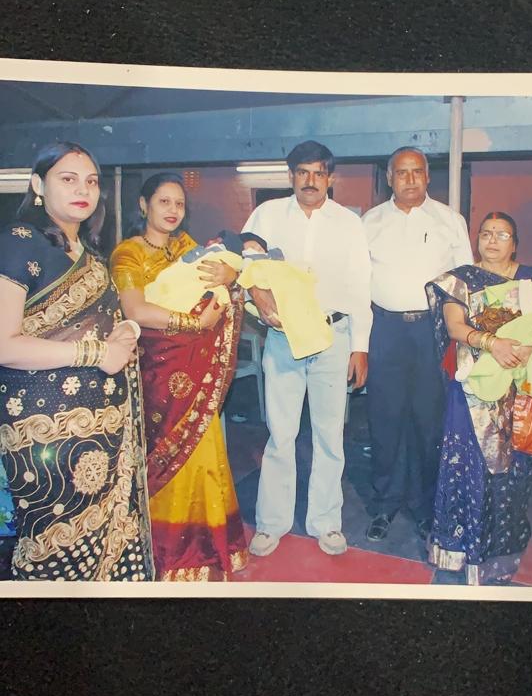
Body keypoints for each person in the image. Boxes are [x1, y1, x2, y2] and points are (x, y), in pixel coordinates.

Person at [0, 142, 153, 581]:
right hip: (45, 432)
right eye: (68, 179)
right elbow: (5, 344)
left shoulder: (90, 254)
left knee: (105, 548)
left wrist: (125, 332)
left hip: (105, 427)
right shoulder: (17, 243)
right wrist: (97, 353)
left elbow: (103, 325)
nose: (83, 190)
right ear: (38, 185)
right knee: (55, 553)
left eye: (91, 181)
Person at [110, 173, 248, 581]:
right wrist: (192, 323)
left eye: (179, 204)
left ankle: (207, 548)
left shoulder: (189, 248)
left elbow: (221, 287)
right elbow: (135, 310)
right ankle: (168, 553)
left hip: (196, 370)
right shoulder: (128, 253)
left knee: (203, 451)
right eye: (164, 202)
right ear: (143, 205)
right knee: (165, 454)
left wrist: (230, 279)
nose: (172, 211)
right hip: (156, 371)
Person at [241, 141, 372, 557]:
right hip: (284, 337)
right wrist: (258, 295)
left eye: (318, 173)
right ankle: (271, 523)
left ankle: (326, 522)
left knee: (329, 435)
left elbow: (360, 286)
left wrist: (360, 346)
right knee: (281, 434)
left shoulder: (349, 223)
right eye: (302, 173)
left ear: (330, 178)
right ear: (291, 176)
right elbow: (243, 263)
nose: (310, 181)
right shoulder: (267, 215)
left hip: (334, 336)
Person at [425, 212, 532, 584]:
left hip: (519, 387)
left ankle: (501, 552)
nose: (492, 240)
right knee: (467, 465)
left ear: (515, 242)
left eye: (502, 234)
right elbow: (455, 327)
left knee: (515, 469)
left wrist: (526, 348)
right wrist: (494, 343)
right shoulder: (460, 279)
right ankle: (460, 549)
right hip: (472, 388)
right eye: (486, 233)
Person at [361, 147, 472, 541]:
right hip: (385, 330)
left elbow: (464, 283)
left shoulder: (450, 221)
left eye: (417, 172)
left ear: (427, 176)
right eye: (401, 173)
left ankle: (427, 508)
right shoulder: (369, 222)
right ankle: (385, 503)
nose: (409, 179)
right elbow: (357, 282)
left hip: (432, 331)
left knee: (430, 421)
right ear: (389, 178)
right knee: (385, 419)